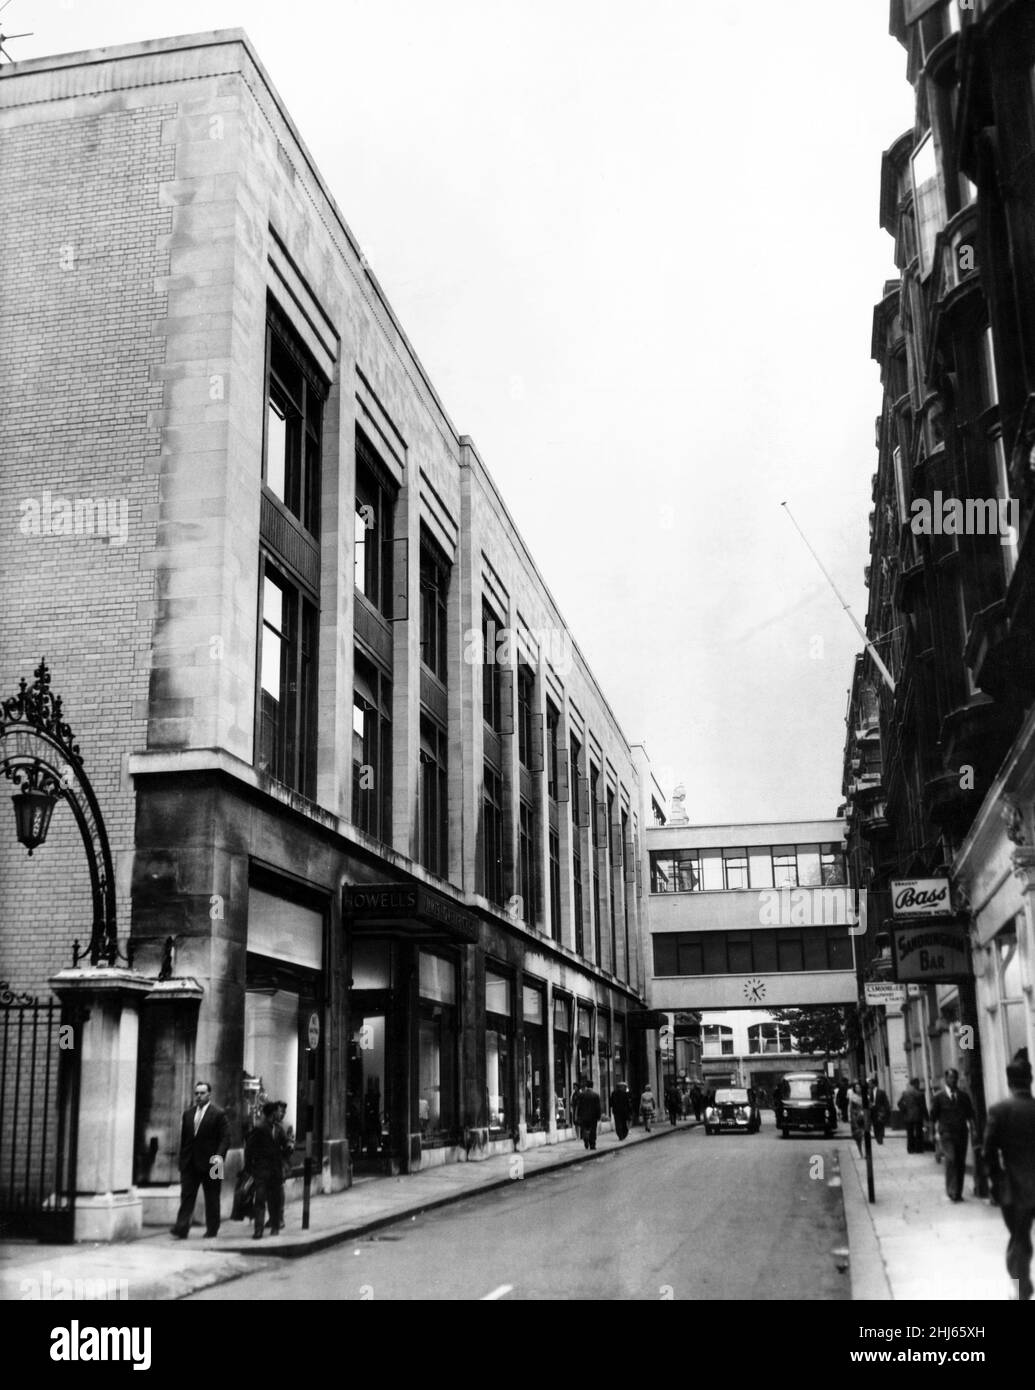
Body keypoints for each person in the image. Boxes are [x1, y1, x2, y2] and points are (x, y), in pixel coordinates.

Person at [984, 1054, 1035, 1301]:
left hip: (1014, 1188)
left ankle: (1019, 1290)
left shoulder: (999, 1111)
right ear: (1031, 1080)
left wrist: (997, 1180)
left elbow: (988, 1151)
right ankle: (1022, 1287)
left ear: (1009, 1082)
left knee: (1018, 1239)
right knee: (1021, 1239)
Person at [171, 1080, 231, 1239]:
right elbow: (185, 1139)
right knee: (187, 1196)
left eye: (202, 1093)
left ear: (209, 1094)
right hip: (190, 1163)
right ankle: (181, 1227)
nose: (198, 1096)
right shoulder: (188, 1114)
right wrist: (183, 1160)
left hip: (214, 1163)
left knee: (212, 1197)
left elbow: (225, 1139)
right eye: (196, 1093)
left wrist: (218, 1158)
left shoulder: (219, 1113)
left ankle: (212, 1229)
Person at [930, 1068, 976, 1202]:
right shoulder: (938, 1097)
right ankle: (951, 1190)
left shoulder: (963, 1096)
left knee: (960, 1162)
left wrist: (973, 1130)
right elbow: (933, 1116)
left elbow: (970, 1114)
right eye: (950, 1078)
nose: (953, 1080)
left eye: (955, 1078)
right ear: (946, 1079)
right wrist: (933, 1132)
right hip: (946, 1133)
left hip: (961, 1133)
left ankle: (958, 1192)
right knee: (951, 1159)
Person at [245, 1101, 285, 1239]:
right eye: (276, 1112)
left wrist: (287, 1149)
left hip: (275, 1170)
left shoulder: (279, 1129)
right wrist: (249, 1168)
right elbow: (249, 1149)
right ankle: (259, 1229)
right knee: (260, 1200)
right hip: (261, 1170)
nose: (278, 1114)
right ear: (271, 1113)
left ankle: (275, 1227)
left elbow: (285, 1146)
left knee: (274, 1201)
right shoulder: (259, 1128)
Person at [898, 1077, 928, 1154]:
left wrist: (904, 1111)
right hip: (918, 1116)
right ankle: (918, 1149)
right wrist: (927, 1117)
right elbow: (923, 1107)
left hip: (908, 1116)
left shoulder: (905, 1093)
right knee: (919, 1133)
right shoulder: (920, 1094)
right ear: (916, 1084)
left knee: (910, 1133)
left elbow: (899, 1103)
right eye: (918, 1083)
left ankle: (910, 1149)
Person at [575, 1079, 602, 1150]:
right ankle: (592, 1145)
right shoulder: (596, 1095)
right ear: (592, 1086)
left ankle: (586, 1139)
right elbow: (598, 1107)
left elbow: (579, 1106)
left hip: (584, 1116)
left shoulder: (581, 1095)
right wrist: (599, 1116)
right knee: (593, 1130)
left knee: (584, 1129)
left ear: (586, 1086)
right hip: (593, 1117)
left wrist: (578, 1116)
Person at [847, 1080, 868, 1157]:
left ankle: (865, 1152)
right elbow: (850, 1108)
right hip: (855, 1119)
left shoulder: (865, 1096)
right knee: (857, 1137)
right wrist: (849, 1117)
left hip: (863, 1118)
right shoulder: (852, 1097)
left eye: (859, 1087)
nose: (858, 1088)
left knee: (865, 1136)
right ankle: (860, 1153)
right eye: (856, 1087)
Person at [868, 1075, 891, 1146]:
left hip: (880, 1111)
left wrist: (886, 1110)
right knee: (875, 1125)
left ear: (874, 1084)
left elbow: (885, 1102)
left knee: (880, 1125)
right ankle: (877, 1137)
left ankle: (880, 1138)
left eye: (870, 1084)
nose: (869, 1085)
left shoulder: (881, 1092)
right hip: (872, 1111)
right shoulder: (868, 1092)